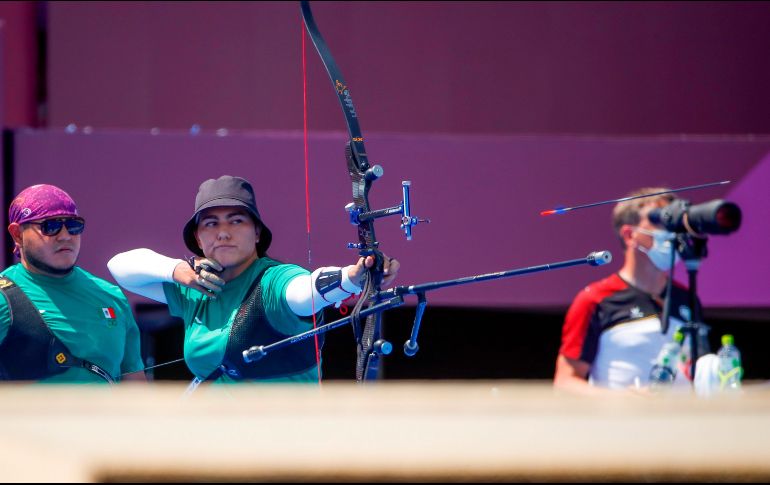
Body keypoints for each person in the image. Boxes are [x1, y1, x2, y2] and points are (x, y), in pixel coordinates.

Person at [108, 175, 399, 384]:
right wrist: (176, 270)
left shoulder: (274, 280)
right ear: (198, 238)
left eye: (236, 221)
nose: (223, 232)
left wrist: (353, 277)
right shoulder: (197, 286)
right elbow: (120, 267)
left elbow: (305, 290)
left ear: (257, 232)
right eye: (211, 223)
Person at [554, 187, 701, 394]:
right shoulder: (595, 299)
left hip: (684, 423)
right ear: (629, 234)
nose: (671, 232)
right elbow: (565, 382)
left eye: (674, 222)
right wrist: (621, 402)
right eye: (660, 220)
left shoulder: (687, 298)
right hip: (620, 423)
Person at [0, 184, 144, 383]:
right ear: (17, 234)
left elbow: (135, 389)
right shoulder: (3, 298)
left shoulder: (112, 296)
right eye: (50, 226)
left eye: (74, 226)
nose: (65, 236)